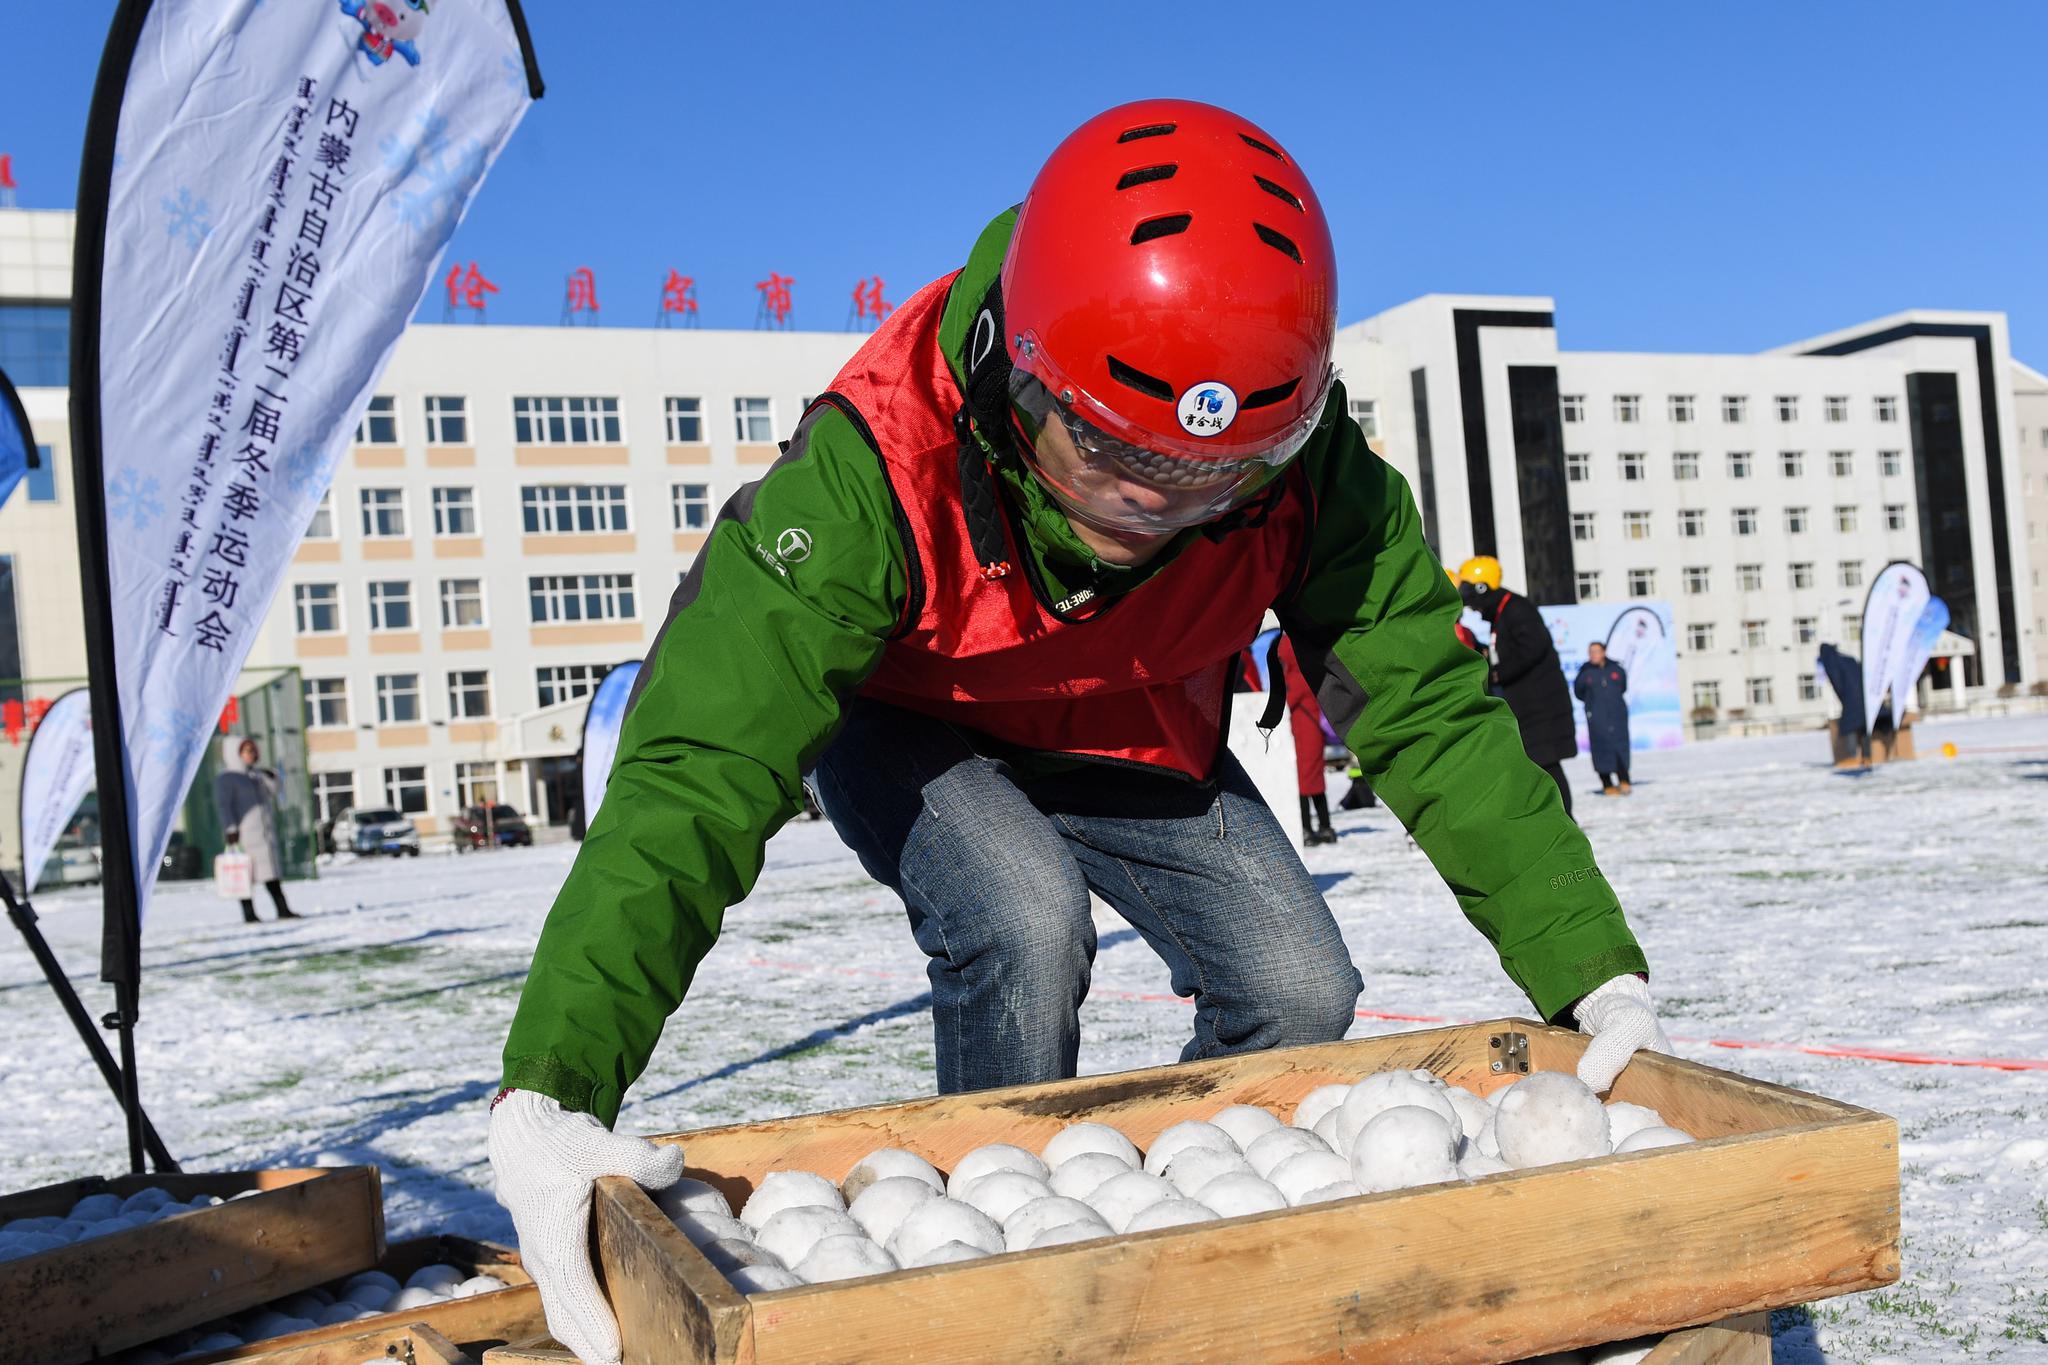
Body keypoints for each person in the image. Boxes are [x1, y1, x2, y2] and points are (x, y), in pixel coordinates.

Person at [488, 101, 1669, 1365]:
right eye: (1108, 454)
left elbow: (1427, 710)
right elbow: (695, 772)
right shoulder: (874, 465)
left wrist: (1583, 961)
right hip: (914, 722)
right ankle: (992, 1272)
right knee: (1020, 915)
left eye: (1212, 478)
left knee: (1297, 983)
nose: (1150, 509)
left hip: (1129, 723)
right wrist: (554, 1089)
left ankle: (1196, 1235)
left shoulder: (1314, 471)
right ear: (1015, 368)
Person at [1456, 556, 1579, 816]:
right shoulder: (1502, 613)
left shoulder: (1517, 610)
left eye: (1474, 601)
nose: (1474, 609)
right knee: (1537, 764)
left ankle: (1564, 820)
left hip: (1540, 707)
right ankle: (1552, 818)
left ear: (1483, 588)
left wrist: (1498, 674)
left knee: (1547, 763)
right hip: (1529, 705)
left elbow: (1532, 648)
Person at [213, 738, 298, 924]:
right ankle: (249, 914)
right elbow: (224, 806)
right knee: (244, 876)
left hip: (264, 834)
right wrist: (231, 828)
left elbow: (274, 790)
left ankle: (283, 909)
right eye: (246, 750)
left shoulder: (255, 776)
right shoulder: (227, 778)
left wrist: (270, 776)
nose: (251, 754)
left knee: (271, 875)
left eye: (253, 750)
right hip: (244, 836)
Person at [1575, 642, 1632, 794]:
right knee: (1601, 749)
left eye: (1597, 651)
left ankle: (1624, 780)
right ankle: (1607, 784)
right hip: (1597, 718)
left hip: (1617, 716)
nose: (1593, 654)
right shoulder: (1584, 673)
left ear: (1604, 652)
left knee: (1620, 747)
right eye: (1591, 651)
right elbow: (1579, 692)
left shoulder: (1617, 669)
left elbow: (1623, 686)